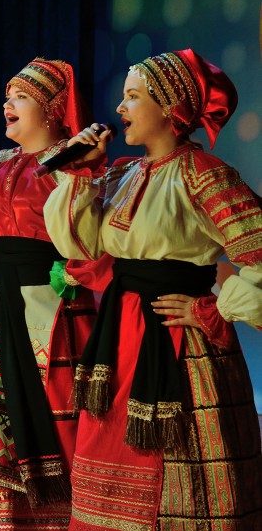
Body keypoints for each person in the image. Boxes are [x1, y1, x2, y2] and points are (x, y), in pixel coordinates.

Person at [44, 48, 262, 530]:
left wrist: (214, 308)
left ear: (168, 108)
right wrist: (83, 173)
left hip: (176, 339)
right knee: (107, 450)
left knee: (181, 468)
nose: (119, 108)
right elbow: (79, 244)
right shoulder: (122, 173)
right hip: (119, 337)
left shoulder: (204, 174)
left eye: (133, 97)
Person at [0, 58, 105, 528]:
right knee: (0, 408)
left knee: (51, 405)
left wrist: (74, 271)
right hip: (0, 292)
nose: (7, 105)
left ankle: (60, 516)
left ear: (52, 109)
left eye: (21, 97)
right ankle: (2, 517)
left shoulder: (73, 158)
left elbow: (90, 230)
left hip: (51, 298)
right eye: (7, 97)